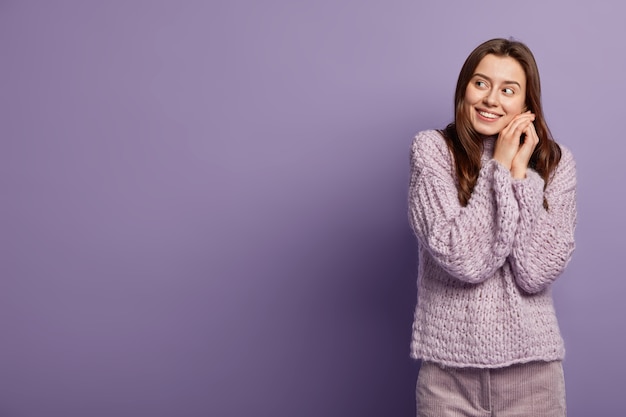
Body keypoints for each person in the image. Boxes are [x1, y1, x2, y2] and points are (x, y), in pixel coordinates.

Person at [408, 38, 576, 417]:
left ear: (527, 104)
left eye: (508, 90)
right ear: (464, 88)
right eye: (480, 83)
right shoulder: (432, 151)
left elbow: (536, 273)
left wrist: (520, 177)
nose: (491, 99)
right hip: (448, 378)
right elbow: (463, 259)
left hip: (533, 378)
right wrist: (497, 167)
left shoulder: (556, 165)